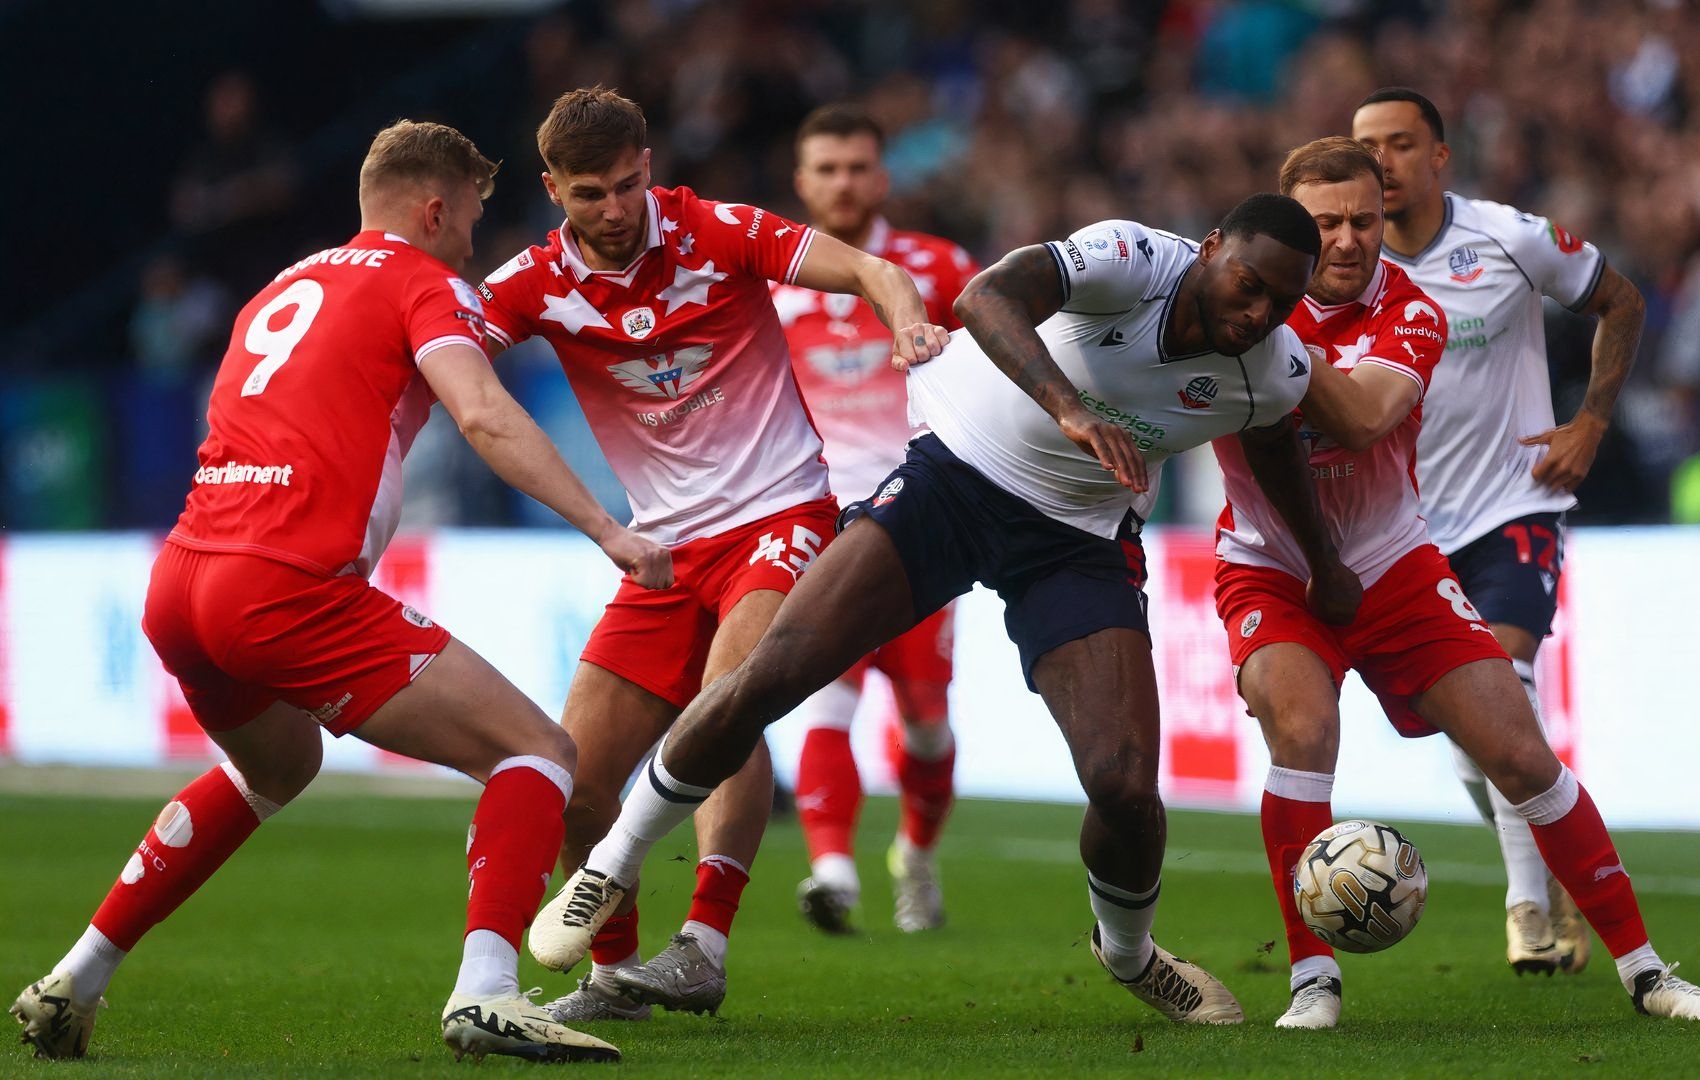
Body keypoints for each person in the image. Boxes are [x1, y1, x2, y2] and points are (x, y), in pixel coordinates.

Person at [538, 193, 1354, 1026]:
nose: (1257, 314)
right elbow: (982, 298)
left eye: (1281, 303)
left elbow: (1275, 440)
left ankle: (1131, 953)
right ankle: (611, 867)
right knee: (771, 674)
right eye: (1247, 285)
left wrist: (1325, 563)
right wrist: (1065, 407)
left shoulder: (1274, 368)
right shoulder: (1132, 258)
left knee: (1125, 786)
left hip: (1075, 540)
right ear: (1211, 248)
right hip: (951, 480)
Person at [12, 120, 668, 1064]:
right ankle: (486, 992)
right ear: (433, 210)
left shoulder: (280, 286)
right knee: (538, 751)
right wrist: (608, 528)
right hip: (286, 588)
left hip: (185, 578)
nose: (474, 240)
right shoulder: (423, 282)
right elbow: (481, 412)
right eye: (473, 218)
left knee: (276, 769)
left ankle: (76, 977)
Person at [1227, 137, 1700, 1031]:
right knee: (1302, 730)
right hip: (1271, 569)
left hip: (1393, 567)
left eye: (1364, 221)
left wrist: (1269, 355)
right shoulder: (1227, 304)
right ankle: (1314, 979)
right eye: (1324, 224)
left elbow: (1366, 419)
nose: (1347, 241)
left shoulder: (1411, 312)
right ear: (1286, 229)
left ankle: (1649, 972)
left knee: (1522, 753)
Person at [480, 88, 945, 1021]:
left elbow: (871, 271)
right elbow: (438, 352)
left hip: (784, 516)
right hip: (662, 550)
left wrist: (907, 321)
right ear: (551, 191)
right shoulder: (531, 285)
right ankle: (615, 975)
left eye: (627, 185)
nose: (614, 212)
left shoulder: (715, 230)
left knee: (726, 707)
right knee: (576, 778)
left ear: (649, 165)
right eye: (588, 196)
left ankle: (704, 943)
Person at [1352, 87, 1649, 975]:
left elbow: (1621, 300)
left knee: (1507, 684)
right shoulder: (1341, 268)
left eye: (1402, 144)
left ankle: (1529, 911)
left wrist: (1590, 421)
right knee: (1478, 743)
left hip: (1513, 506)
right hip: (1402, 533)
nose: (1384, 164)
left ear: (1440, 156)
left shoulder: (1509, 239)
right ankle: (1548, 865)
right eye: (1368, 148)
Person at [771, 104, 978, 934]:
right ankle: (831, 871)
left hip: (926, 520)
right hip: (822, 524)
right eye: (827, 169)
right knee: (826, 695)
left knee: (927, 724)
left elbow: (997, 365)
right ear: (801, 181)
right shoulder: (769, 276)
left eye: (857, 167)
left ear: (881, 177)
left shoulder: (938, 264)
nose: (843, 183)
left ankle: (916, 859)